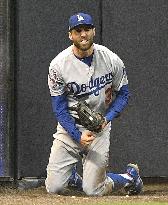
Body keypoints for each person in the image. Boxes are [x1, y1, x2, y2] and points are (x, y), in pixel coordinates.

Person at [46, 12, 143, 196]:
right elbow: (59, 108)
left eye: (87, 29)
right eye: (78, 30)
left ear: (94, 31)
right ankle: (72, 177)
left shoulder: (111, 59)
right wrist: (76, 135)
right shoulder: (58, 65)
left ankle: (130, 177)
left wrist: (107, 119)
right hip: (70, 127)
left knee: (93, 191)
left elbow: (123, 94)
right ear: (70, 35)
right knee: (54, 188)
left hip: (99, 126)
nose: (83, 34)